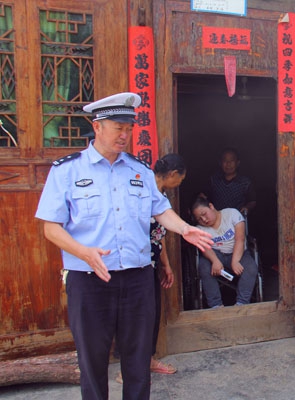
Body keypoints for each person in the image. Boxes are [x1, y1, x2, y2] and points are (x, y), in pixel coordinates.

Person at [35, 92, 212, 400]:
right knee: (92, 360)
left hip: (137, 279)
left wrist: (185, 229)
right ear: (97, 127)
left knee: (138, 360)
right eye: (118, 127)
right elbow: (51, 227)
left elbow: (160, 210)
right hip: (90, 279)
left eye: (128, 129)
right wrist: (83, 252)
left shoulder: (139, 170)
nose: (124, 135)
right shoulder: (67, 171)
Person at [115, 153, 185, 384]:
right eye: (181, 179)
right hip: (131, 264)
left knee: (151, 313)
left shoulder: (160, 197)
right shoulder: (140, 190)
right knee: (131, 318)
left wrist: (166, 264)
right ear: (172, 174)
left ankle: (148, 360)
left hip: (150, 264)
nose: (180, 183)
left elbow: (159, 234)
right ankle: (126, 369)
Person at [191, 196, 258, 308]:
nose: (204, 220)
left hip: (238, 252)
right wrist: (215, 261)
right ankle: (216, 305)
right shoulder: (200, 229)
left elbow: (240, 239)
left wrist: (235, 261)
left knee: (251, 268)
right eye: (199, 219)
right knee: (204, 266)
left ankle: (241, 304)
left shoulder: (232, 214)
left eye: (204, 214)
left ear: (211, 206)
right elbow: (205, 248)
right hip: (216, 254)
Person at [203, 147, 256, 215]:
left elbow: (252, 201)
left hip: (236, 219)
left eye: (232, 160)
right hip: (217, 218)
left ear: (238, 163)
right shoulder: (213, 180)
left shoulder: (245, 182)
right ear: (220, 163)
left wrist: (246, 208)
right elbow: (203, 197)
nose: (228, 164)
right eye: (225, 160)